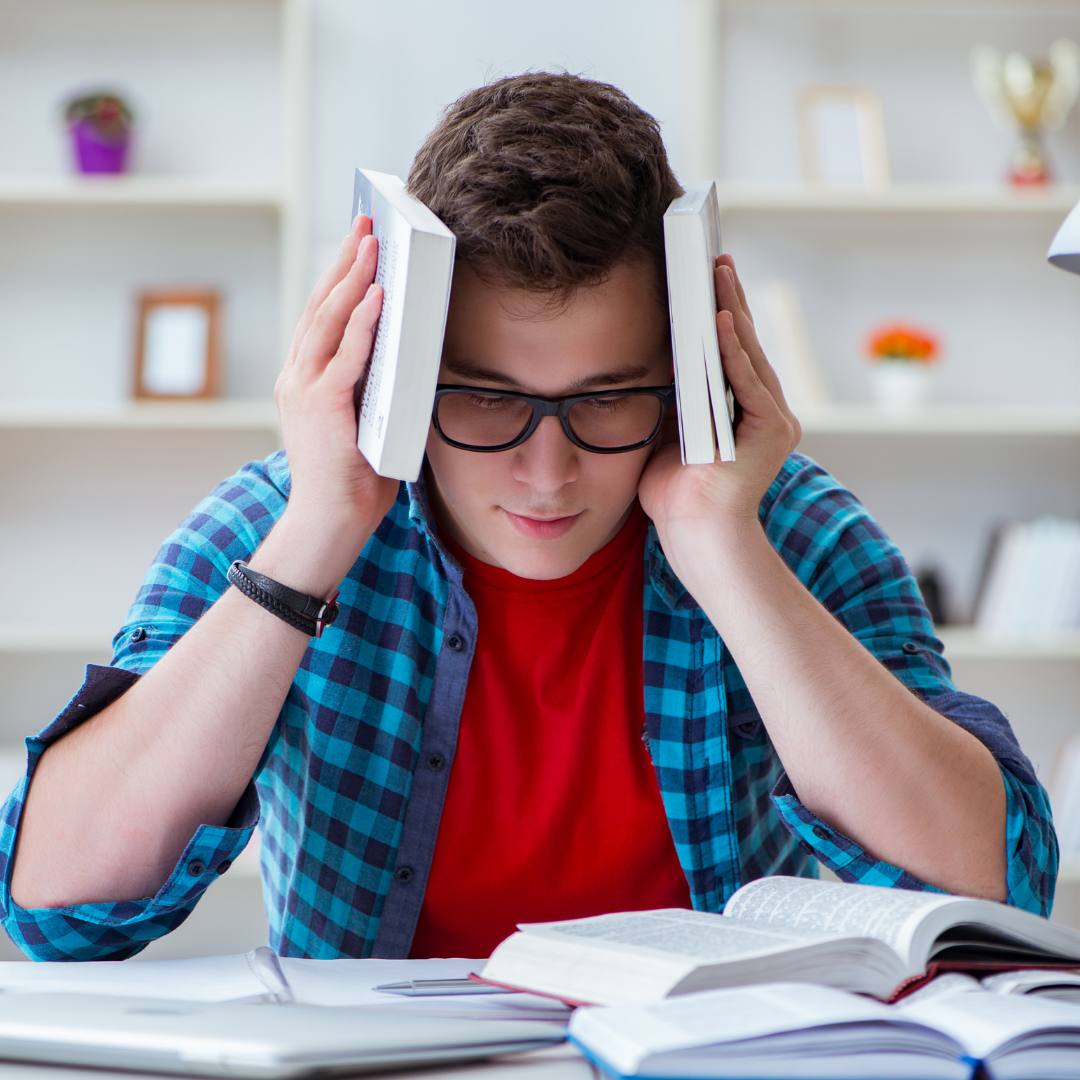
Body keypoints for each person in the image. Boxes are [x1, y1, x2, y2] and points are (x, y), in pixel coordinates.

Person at [1, 73, 1055, 962]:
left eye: (606, 399)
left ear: (690, 381)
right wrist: (315, 541)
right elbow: (50, 907)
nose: (545, 472)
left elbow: (1001, 891)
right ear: (392, 378)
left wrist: (725, 553)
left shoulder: (787, 529)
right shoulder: (286, 518)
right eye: (484, 398)